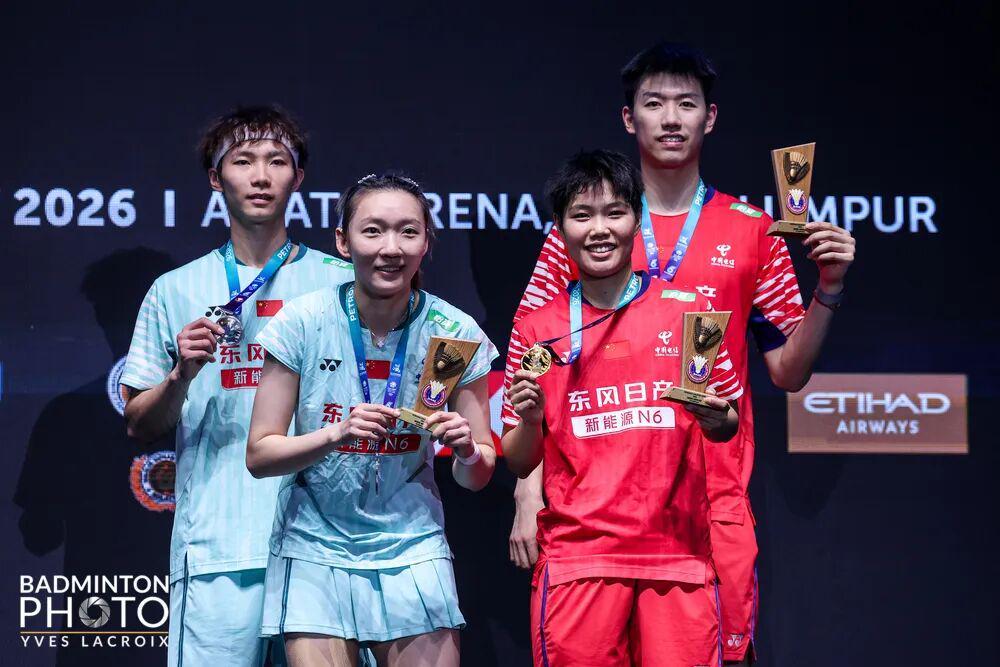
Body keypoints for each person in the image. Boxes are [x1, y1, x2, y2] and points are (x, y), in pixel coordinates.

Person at [506, 43, 856, 664]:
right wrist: (526, 492)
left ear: (709, 117)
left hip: (709, 502)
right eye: (654, 103)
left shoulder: (754, 229)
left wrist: (828, 289)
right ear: (628, 117)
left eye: (686, 104)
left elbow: (787, 371)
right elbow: (538, 365)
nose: (670, 119)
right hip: (592, 510)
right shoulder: (590, 226)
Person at [120, 105, 355, 666]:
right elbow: (139, 423)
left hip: (326, 547)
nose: (261, 176)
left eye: (277, 161)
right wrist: (181, 374)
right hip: (217, 548)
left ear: (297, 178)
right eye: (243, 160)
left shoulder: (343, 283)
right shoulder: (175, 289)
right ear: (215, 178)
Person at [503, 149, 744, 665]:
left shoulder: (692, 312)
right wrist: (529, 419)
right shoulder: (537, 329)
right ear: (559, 228)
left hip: (677, 556)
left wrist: (715, 416)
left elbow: (728, 423)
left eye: (615, 212)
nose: (599, 229)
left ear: (637, 219)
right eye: (581, 215)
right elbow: (520, 459)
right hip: (579, 559)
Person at [246, 173, 498, 667]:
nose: (391, 248)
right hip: (315, 544)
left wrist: (468, 450)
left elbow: (477, 475)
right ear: (343, 242)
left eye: (408, 231)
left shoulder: (454, 331)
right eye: (373, 230)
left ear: (426, 242)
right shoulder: (302, 321)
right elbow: (260, 454)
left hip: (413, 545)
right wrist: (335, 433)